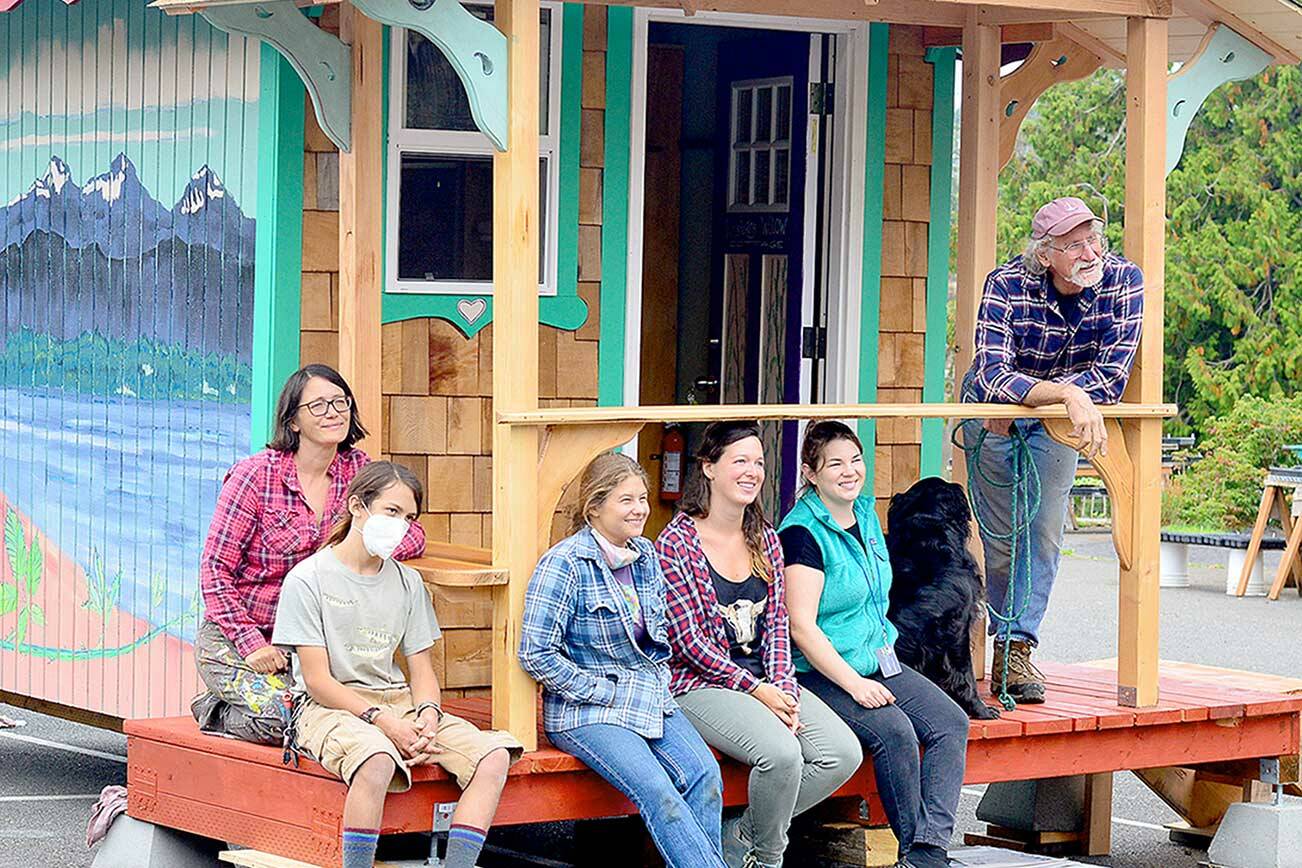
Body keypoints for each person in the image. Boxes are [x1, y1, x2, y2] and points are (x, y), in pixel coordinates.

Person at [272, 461, 521, 868]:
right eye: (392, 512)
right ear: (357, 506)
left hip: (399, 702)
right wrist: (383, 723)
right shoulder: (308, 578)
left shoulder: (407, 581)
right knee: (376, 760)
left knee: (493, 756)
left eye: (409, 518)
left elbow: (421, 668)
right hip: (330, 707)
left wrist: (427, 714)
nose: (401, 525)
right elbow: (316, 680)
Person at [962, 196, 1143, 703]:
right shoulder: (1005, 284)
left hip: (1062, 421)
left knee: (1041, 532)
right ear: (1045, 256)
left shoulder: (1125, 282)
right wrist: (1065, 391)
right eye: (1075, 244)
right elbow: (993, 373)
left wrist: (1059, 397)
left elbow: (1110, 377)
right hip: (994, 417)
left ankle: (1016, 647)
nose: (1090, 252)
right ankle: (996, 635)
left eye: (1095, 240)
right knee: (1002, 539)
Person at [656, 421, 861, 868]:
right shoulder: (676, 543)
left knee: (841, 754)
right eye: (740, 461)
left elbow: (779, 626)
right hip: (700, 684)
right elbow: (688, 642)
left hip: (765, 679)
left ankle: (742, 836)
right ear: (709, 468)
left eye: (759, 462)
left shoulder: (765, 537)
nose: (752, 471)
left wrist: (784, 686)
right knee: (782, 755)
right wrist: (756, 690)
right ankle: (767, 858)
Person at [193, 364, 426, 742]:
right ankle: (215, 712)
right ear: (294, 420)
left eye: (340, 402)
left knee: (324, 716)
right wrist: (252, 644)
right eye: (318, 405)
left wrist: (379, 535)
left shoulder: (360, 471)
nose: (333, 412)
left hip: (316, 641)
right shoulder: (254, 477)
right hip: (243, 637)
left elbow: (413, 534)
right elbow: (215, 571)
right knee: (289, 719)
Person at [519, 453, 726, 868]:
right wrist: (602, 690)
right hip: (587, 710)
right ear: (594, 507)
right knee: (658, 792)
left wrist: (655, 679)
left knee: (706, 777)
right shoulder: (564, 564)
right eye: (626, 500)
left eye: (643, 498)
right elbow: (535, 653)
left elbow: (658, 631)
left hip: (647, 696)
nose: (640, 509)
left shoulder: (646, 555)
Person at [779, 422, 969, 868]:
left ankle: (928, 850)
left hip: (877, 659)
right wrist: (855, 684)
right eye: (835, 464)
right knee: (896, 732)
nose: (849, 472)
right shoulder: (802, 534)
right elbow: (801, 627)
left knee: (950, 723)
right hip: (820, 672)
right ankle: (916, 852)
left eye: (855, 460)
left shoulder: (865, 513)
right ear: (811, 473)